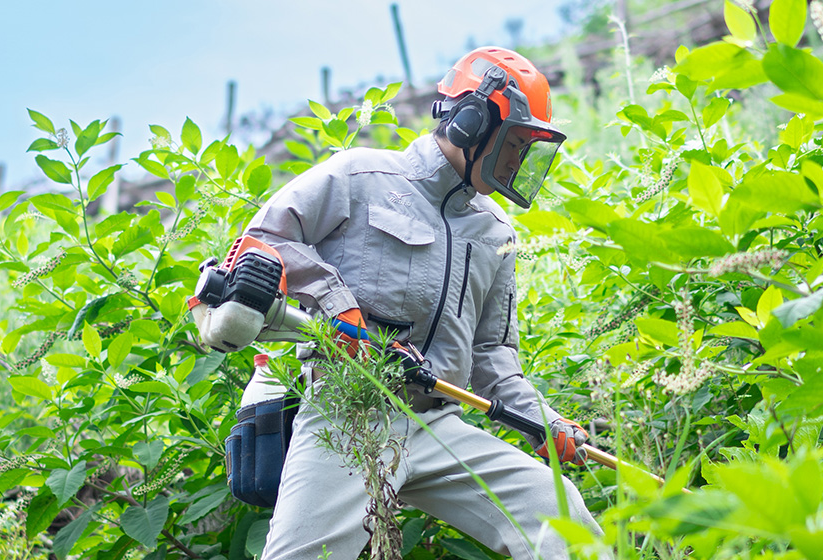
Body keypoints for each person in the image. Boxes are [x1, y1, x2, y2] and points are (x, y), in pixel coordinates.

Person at [244, 47, 600, 560]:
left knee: (561, 520)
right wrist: (335, 302)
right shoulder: (360, 176)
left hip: (439, 427)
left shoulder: (495, 231)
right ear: (472, 121)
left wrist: (546, 422)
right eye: (517, 143)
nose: (520, 161)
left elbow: (492, 358)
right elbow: (264, 240)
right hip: (349, 417)